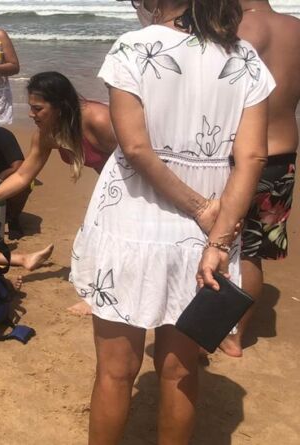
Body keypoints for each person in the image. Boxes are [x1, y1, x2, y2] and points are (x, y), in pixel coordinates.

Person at [70, 1, 271, 443]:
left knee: (115, 373)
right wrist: (218, 238)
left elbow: (137, 149)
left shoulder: (132, 47)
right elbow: (253, 156)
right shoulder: (244, 58)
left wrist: (199, 206)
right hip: (207, 235)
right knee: (180, 373)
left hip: (131, 220)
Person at [0, 71, 117, 314]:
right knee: (95, 236)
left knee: (108, 236)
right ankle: (100, 296)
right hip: (112, 185)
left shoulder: (98, 119)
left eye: (38, 108)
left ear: (59, 106)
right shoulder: (47, 134)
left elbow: (140, 154)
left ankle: (102, 298)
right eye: (31, 108)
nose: (31, 115)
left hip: (135, 181)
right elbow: (24, 176)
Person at [223, 0, 300, 358]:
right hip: (283, 156)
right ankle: (237, 334)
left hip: (242, 155)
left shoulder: (238, 28)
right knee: (252, 252)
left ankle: (209, 324)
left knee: (219, 241)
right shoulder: (295, 29)